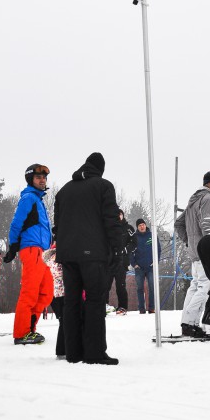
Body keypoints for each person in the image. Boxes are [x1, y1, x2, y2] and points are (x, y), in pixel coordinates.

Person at [54, 152, 122, 365]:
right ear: (100, 169)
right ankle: (94, 353)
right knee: (95, 301)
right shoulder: (103, 186)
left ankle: (73, 353)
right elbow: (110, 219)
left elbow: (57, 225)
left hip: (67, 255)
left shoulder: (64, 190)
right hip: (93, 254)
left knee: (71, 302)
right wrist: (117, 248)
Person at [4, 164, 53, 345]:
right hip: (30, 250)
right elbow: (16, 223)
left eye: (44, 178)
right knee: (29, 293)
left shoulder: (38, 201)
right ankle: (21, 333)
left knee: (46, 292)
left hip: (41, 253)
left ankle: (30, 328)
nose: (42, 180)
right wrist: (13, 246)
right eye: (38, 177)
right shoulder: (29, 198)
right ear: (30, 180)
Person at [174, 171, 210, 336]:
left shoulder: (193, 199)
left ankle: (188, 322)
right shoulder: (208, 198)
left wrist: (189, 241)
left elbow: (178, 223)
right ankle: (189, 323)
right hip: (205, 251)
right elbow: (206, 225)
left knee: (195, 286)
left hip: (194, 251)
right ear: (209, 182)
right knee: (204, 286)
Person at [106, 209, 135, 315]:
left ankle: (122, 307)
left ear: (123, 215)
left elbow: (134, 242)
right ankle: (104, 305)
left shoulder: (128, 228)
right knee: (106, 284)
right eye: (116, 214)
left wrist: (126, 250)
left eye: (120, 214)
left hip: (122, 262)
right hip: (109, 261)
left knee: (120, 285)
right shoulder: (109, 228)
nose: (118, 216)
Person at [130, 218, 161, 314]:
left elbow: (158, 250)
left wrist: (155, 262)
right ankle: (141, 309)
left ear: (145, 225)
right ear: (137, 227)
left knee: (152, 287)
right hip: (139, 268)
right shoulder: (134, 237)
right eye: (139, 225)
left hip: (150, 267)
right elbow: (130, 252)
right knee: (140, 288)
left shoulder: (152, 236)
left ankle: (151, 308)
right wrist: (134, 264)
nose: (142, 226)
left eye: (143, 224)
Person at [42, 241, 65, 357]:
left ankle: (62, 350)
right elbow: (60, 274)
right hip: (60, 294)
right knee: (65, 321)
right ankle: (62, 350)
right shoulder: (58, 257)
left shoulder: (50, 258)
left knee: (64, 321)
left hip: (55, 295)